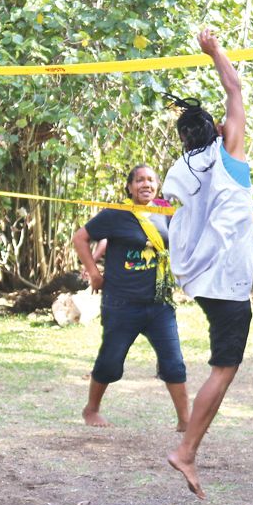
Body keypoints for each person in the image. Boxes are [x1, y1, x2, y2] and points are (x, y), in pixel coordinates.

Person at [162, 28, 253, 498]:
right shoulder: (231, 155)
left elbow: (170, 211)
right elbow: (235, 90)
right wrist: (215, 50)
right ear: (217, 131)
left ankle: (189, 448)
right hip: (227, 283)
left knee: (224, 365)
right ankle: (187, 450)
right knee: (223, 369)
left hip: (201, 280)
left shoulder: (180, 170)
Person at [71, 164, 189, 431]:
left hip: (159, 304)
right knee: (110, 361)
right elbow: (81, 238)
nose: (145, 184)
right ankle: (91, 410)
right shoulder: (117, 214)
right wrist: (94, 273)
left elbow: (183, 244)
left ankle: (185, 421)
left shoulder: (166, 213)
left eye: (150, 180)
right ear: (129, 187)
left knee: (173, 363)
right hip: (122, 303)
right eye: (139, 181)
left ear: (157, 185)